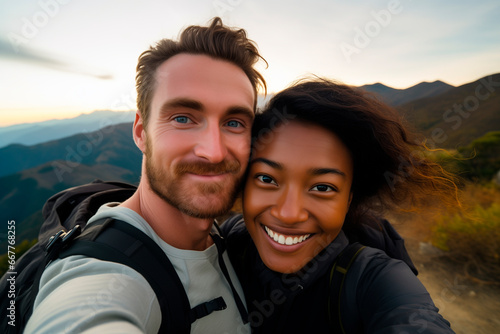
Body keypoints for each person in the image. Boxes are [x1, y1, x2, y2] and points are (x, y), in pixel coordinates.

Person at [25, 17, 266, 333]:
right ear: (141, 132)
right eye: (183, 118)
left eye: (234, 122)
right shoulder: (104, 275)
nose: (214, 152)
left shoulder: (228, 242)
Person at [223, 78, 459, 333]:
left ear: (349, 199)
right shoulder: (225, 242)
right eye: (267, 179)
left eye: (322, 187)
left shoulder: (375, 280)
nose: (289, 214)